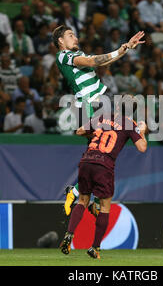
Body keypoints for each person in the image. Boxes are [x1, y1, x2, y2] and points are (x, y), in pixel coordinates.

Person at [59, 107, 148, 259]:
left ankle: (69, 235)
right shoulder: (130, 124)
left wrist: (94, 133)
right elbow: (142, 148)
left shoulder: (103, 117)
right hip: (104, 166)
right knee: (105, 208)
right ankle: (95, 247)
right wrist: (142, 131)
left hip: (87, 160)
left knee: (82, 201)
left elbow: (79, 131)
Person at [52, 25, 144, 120]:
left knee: (129, 102)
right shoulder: (63, 55)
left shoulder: (78, 54)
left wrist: (126, 48)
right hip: (87, 103)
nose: (75, 39)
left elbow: (102, 62)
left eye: (75, 35)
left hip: (98, 99)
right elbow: (91, 61)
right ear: (61, 40)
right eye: (71, 35)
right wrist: (118, 51)